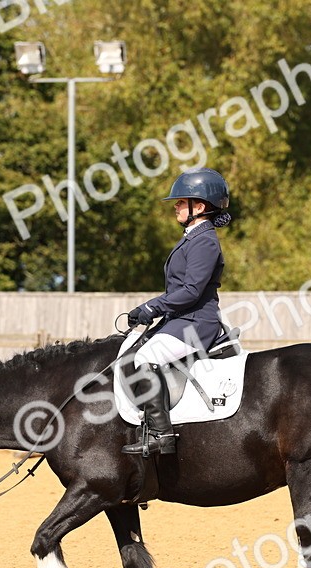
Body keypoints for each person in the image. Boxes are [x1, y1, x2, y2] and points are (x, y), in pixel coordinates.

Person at [122, 166, 232, 457]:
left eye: (182, 202)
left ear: (201, 206)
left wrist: (151, 307)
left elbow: (191, 291)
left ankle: (161, 434)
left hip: (197, 323)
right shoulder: (192, 237)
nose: (177, 207)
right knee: (133, 349)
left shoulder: (205, 241)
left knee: (147, 357)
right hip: (182, 320)